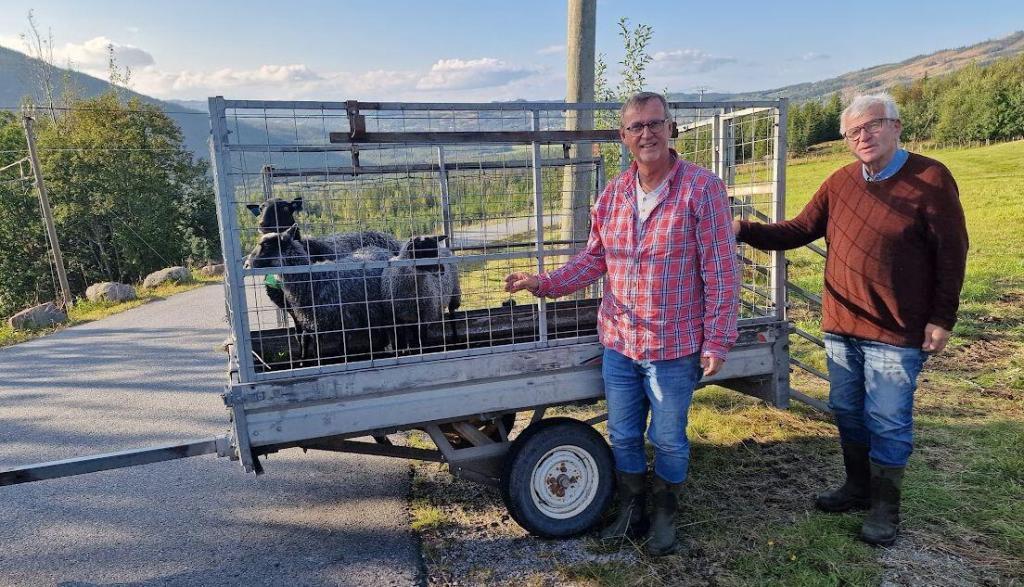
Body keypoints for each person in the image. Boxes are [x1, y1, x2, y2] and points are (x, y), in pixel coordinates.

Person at [505, 91, 739, 556]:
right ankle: (632, 511)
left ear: (671, 128)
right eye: (637, 127)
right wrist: (543, 282)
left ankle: (665, 515)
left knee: (668, 437)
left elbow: (721, 268)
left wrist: (717, 339)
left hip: (674, 345)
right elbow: (595, 260)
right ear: (623, 136)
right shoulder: (612, 194)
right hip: (619, 342)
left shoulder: (701, 188)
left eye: (655, 123)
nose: (647, 133)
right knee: (624, 433)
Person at [733, 93, 968, 546]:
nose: (864, 136)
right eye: (853, 132)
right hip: (842, 325)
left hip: (898, 329)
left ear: (896, 126)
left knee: (887, 417)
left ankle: (885, 509)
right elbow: (799, 230)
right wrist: (744, 229)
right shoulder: (840, 182)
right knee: (846, 410)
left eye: (873, 125)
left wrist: (942, 318)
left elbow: (952, 254)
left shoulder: (932, 178)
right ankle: (858, 487)